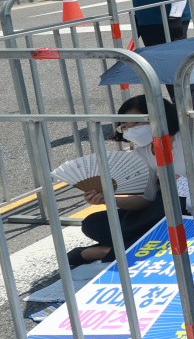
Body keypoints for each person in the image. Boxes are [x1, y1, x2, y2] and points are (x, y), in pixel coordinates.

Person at [67, 95, 184, 267]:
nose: (131, 129)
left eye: (136, 123)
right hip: (160, 211)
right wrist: (108, 199)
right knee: (93, 223)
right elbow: (147, 199)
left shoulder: (191, 137)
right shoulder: (143, 152)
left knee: (168, 219)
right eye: (125, 126)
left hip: (192, 210)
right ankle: (132, 244)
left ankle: (101, 252)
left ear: (159, 115)